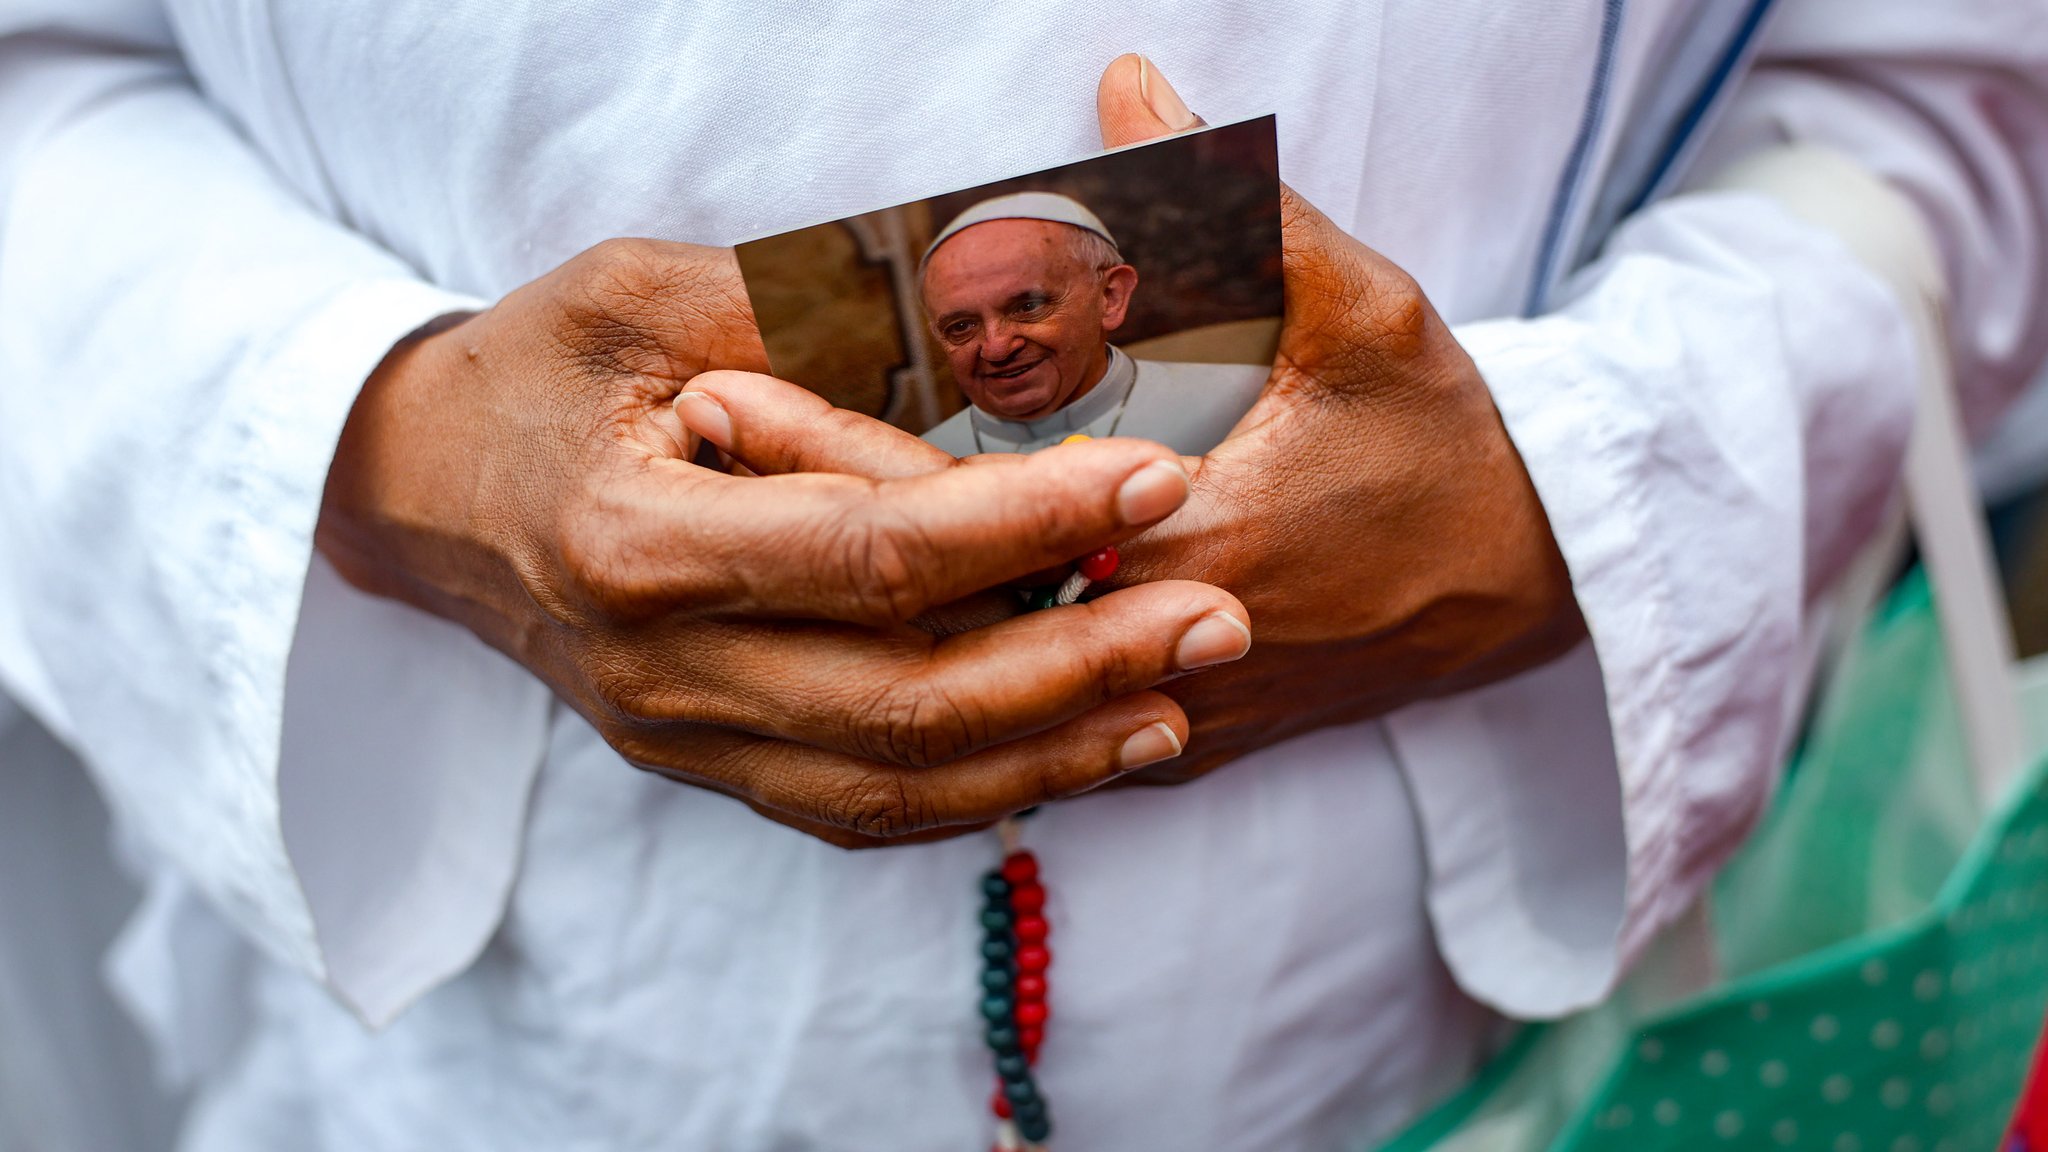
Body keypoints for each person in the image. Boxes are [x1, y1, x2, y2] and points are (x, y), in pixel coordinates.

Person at [0, 7, 2043, 1152]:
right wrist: (369, 447)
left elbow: (1937, 90)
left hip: (1475, 1066)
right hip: (484, 1073)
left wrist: (1579, 497)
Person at [914, 190, 1269, 456]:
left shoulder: (1253, 404)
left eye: (1028, 306)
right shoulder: (914, 469)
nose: (996, 347)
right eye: (961, 327)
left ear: (1110, 297)